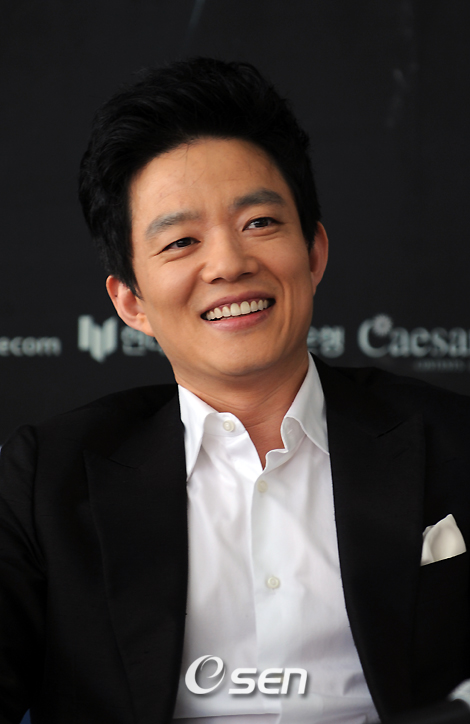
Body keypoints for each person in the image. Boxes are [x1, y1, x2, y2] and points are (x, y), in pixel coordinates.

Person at [1, 57, 470, 724]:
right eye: (181, 241)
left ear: (314, 252)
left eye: (259, 224)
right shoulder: (45, 481)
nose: (227, 264)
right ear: (131, 301)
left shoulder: (454, 443)